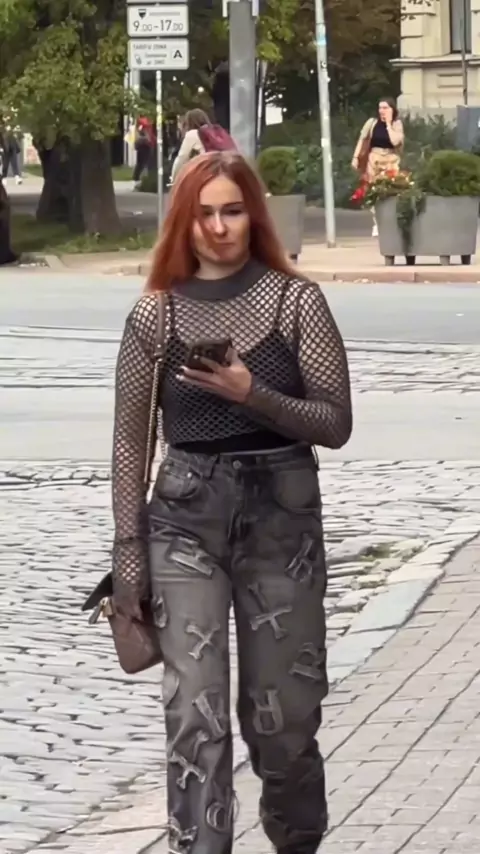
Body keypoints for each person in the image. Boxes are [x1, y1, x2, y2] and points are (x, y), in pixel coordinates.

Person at [111, 151, 352, 854]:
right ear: (183, 223)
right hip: (185, 518)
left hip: (283, 521)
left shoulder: (295, 301)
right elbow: (129, 446)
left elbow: (335, 422)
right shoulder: (155, 315)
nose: (218, 227)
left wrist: (255, 395)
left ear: (255, 215)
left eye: (233, 211)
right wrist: (129, 558)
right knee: (196, 715)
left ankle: (296, 840)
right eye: (204, 214)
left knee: (284, 721)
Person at [351, 97, 404, 236]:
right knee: (374, 191)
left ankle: (390, 221)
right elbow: (362, 140)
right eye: (380, 108)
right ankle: (377, 222)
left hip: (391, 160)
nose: (382, 111)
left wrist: (388, 124)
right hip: (374, 159)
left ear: (392, 109)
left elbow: (395, 141)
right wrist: (355, 157)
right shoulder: (372, 123)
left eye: (385, 108)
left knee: (392, 190)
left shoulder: (397, 124)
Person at [170, 109, 236, 184]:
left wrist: (174, 179)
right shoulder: (215, 132)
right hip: (225, 174)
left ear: (189, 122)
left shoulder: (192, 134)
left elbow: (181, 158)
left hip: (208, 175)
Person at [133, 116, 156, 185]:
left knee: (142, 162)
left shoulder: (144, 122)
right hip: (144, 145)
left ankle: (138, 177)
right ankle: (137, 177)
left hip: (146, 145)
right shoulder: (143, 123)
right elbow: (141, 132)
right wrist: (147, 137)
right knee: (143, 162)